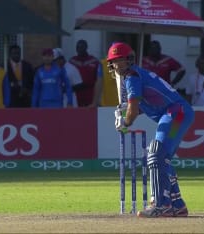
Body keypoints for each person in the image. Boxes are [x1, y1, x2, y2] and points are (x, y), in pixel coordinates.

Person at [107, 42, 193, 218]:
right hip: (177, 112)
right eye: (114, 61)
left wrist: (125, 122)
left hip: (176, 112)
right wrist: (125, 115)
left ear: (128, 60)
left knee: (156, 152)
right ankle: (177, 204)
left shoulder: (132, 77)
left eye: (120, 60)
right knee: (162, 158)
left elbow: (133, 107)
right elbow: (139, 107)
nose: (117, 64)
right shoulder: (137, 75)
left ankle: (161, 205)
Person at [69, 39, 103, 107]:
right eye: (78, 47)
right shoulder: (72, 61)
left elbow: (99, 80)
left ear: (86, 47)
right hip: (76, 95)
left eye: (82, 47)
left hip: (90, 94)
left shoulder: (94, 61)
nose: (80, 49)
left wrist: (96, 100)